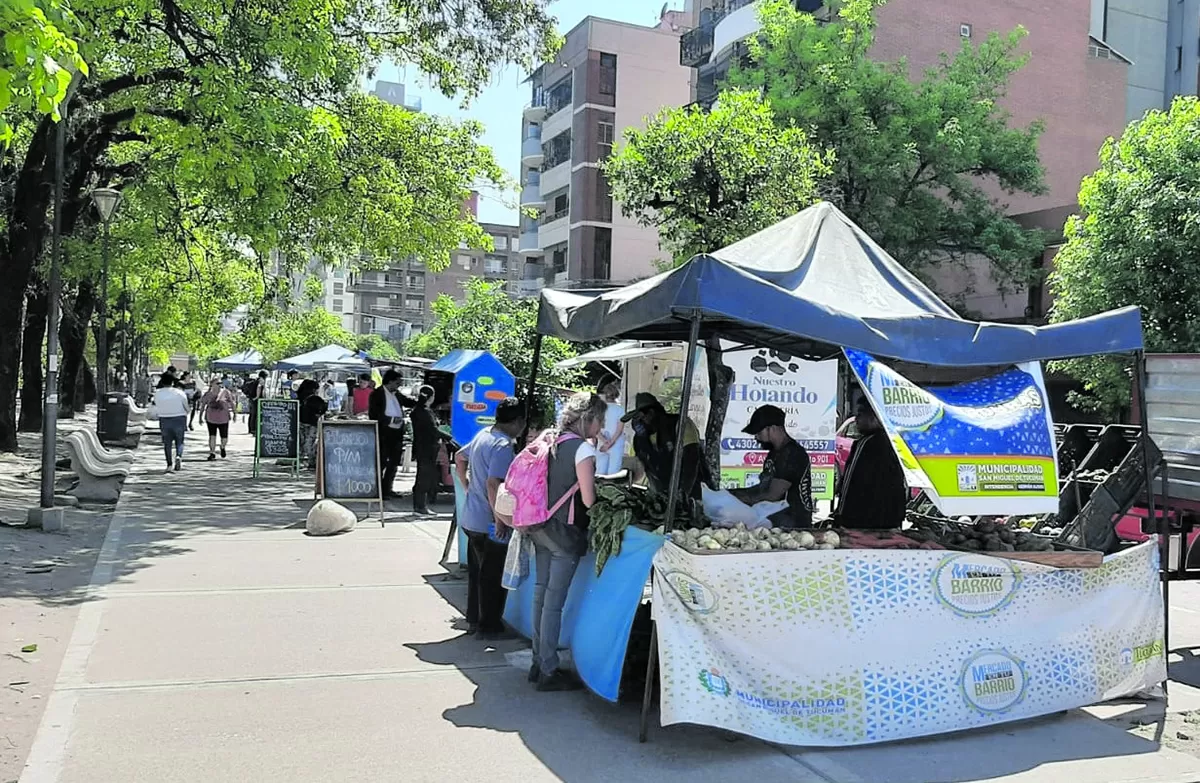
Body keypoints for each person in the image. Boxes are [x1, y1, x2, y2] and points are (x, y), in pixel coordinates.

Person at [528, 392, 606, 691]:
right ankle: (548, 668)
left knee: (541, 595)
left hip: (539, 525)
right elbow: (588, 499)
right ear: (589, 419)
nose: (600, 429)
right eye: (600, 421)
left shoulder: (551, 441)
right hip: (564, 532)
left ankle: (538, 661)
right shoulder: (582, 451)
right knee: (554, 604)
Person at [454, 398, 526, 639]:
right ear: (517, 422)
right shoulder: (503, 445)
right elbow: (494, 483)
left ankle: (474, 619)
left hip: (472, 517)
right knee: (492, 576)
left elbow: (459, 458)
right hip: (488, 520)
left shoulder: (484, 434)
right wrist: (500, 519)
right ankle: (489, 626)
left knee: (477, 573)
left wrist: (466, 486)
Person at [730, 404, 814, 528]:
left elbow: (772, 496)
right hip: (777, 520)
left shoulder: (792, 455)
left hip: (793, 524)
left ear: (773, 428)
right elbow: (763, 487)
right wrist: (734, 493)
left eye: (759, 432)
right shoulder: (775, 453)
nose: (756, 437)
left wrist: (740, 499)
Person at [835, 398, 908, 529]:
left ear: (874, 417)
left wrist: (840, 516)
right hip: (891, 521)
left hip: (863, 522)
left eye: (860, 414)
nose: (856, 419)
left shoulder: (865, 444)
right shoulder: (896, 443)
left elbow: (849, 484)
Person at [623, 392, 711, 499]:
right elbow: (645, 468)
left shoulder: (680, 425)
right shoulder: (639, 440)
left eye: (640, 417)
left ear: (651, 413)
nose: (638, 423)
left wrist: (681, 495)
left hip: (692, 493)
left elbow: (691, 460)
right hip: (663, 495)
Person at [368, 369, 417, 498]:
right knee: (382, 461)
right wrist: (390, 419)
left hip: (397, 432)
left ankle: (388, 488)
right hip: (384, 432)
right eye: (397, 383)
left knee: (394, 462)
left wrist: (422, 401)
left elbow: (408, 401)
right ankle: (378, 490)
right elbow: (373, 414)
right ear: (390, 382)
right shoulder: (377, 394)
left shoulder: (397, 394)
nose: (399, 386)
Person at [410, 384, 450, 513]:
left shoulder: (419, 410)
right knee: (424, 477)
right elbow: (433, 430)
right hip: (426, 448)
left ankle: (420, 505)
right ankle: (420, 506)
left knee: (424, 476)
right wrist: (449, 437)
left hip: (424, 447)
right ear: (431, 397)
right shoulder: (424, 412)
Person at [154, 373, 190, 472]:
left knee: (167, 443)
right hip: (179, 418)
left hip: (164, 419)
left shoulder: (157, 393)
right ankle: (178, 456)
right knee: (180, 441)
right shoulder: (179, 392)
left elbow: (156, 405)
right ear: (173, 382)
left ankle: (169, 464)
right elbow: (186, 407)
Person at [199, 377, 235, 461]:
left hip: (223, 418)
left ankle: (222, 447)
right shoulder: (208, 394)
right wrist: (200, 417)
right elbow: (203, 405)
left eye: (220, 383)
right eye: (217, 383)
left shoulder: (226, 392)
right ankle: (212, 452)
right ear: (212, 384)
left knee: (224, 438)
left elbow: (232, 403)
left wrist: (235, 413)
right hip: (211, 418)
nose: (219, 385)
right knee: (212, 436)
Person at [596, 379, 626, 475]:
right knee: (613, 472)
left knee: (600, 470)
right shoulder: (620, 409)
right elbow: (619, 429)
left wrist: (605, 441)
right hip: (616, 443)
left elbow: (596, 428)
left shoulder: (600, 409)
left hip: (601, 442)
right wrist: (611, 442)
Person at [297, 379, 328, 469]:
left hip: (300, 422)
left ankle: (300, 460)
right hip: (312, 423)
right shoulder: (315, 399)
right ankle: (312, 462)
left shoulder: (299, 398)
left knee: (301, 442)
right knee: (310, 443)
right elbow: (324, 407)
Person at [244, 370, 268, 435]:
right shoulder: (261, 380)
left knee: (252, 414)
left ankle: (251, 429)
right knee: (256, 414)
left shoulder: (256, 380)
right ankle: (254, 429)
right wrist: (257, 396)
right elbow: (259, 387)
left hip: (251, 399)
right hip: (256, 400)